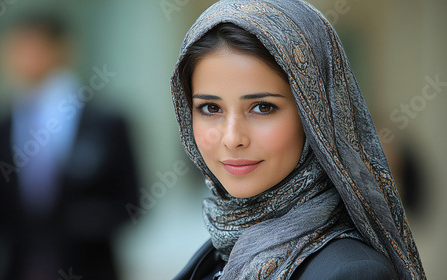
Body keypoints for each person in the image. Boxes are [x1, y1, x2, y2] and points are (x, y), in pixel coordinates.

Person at [170, 0, 425, 279]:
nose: (232, 139)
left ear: (315, 116)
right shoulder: (219, 252)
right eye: (211, 108)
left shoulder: (351, 272)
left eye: (263, 107)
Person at [0, 13, 139, 280]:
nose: (23, 58)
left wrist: (79, 220)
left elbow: (132, 202)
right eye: (16, 49)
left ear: (61, 49)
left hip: (89, 267)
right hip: (18, 267)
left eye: (33, 47)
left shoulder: (105, 121)